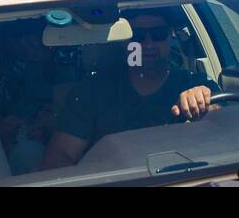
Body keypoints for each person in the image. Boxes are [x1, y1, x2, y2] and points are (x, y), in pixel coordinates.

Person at [42, 10, 215, 171]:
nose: (148, 44)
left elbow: (232, 127)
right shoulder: (91, 92)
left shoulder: (193, 84)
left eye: (158, 34)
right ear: (125, 42)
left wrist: (204, 104)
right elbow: (59, 159)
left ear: (170, 35)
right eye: (138, 36)